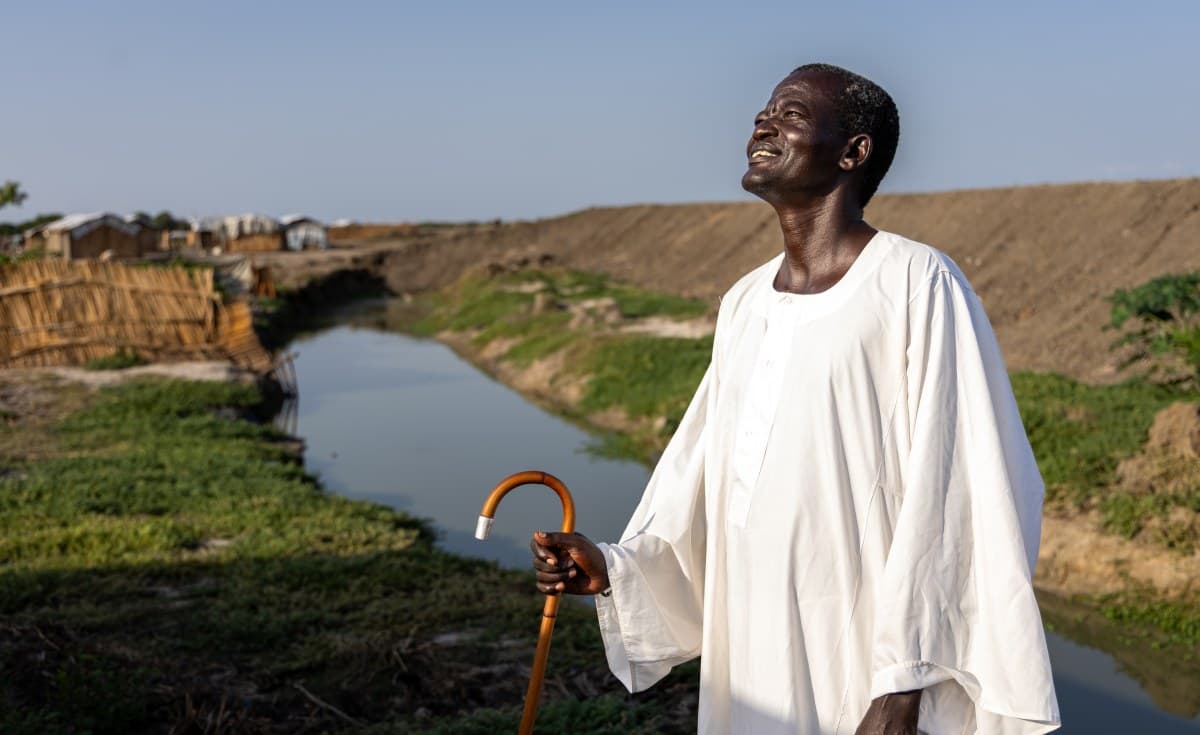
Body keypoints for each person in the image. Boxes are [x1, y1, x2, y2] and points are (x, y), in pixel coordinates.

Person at [531, 63, 1060, 735]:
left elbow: (962, 491)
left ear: (853, 152)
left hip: (865, 665)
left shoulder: (915, 282)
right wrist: (616, 568)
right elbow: (701, 480)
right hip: (750, 661)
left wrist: (903, 687)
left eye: (793, 112)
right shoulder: (745, 302)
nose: (763, 121)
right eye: (764, 110)